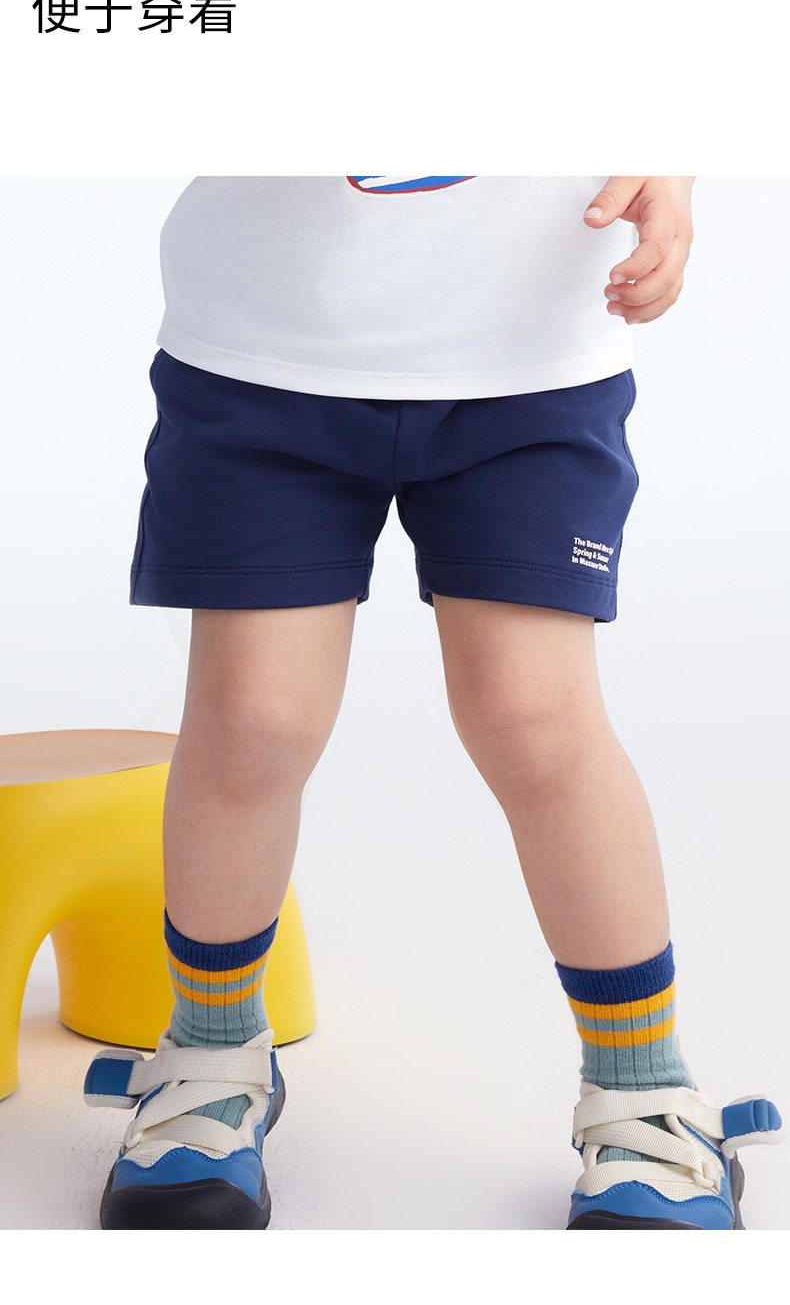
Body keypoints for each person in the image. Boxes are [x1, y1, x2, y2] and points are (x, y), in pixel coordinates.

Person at [83, 176, 782, 1229]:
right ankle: (213, 1058)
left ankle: (644, 1091)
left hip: (530, 354)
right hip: (264, 347)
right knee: (254, 716)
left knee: (533, 716)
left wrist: (669, 170)